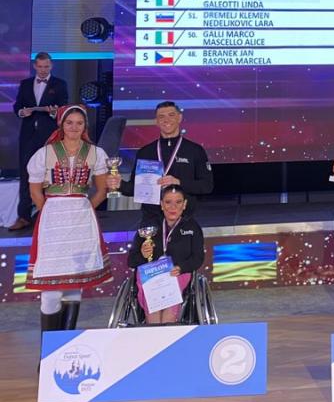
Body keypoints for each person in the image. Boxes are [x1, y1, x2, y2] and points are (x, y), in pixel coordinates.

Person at [25, 105, 111, 335]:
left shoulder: (95, 153)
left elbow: (102, 190)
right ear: (61, 124)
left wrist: (84, 209)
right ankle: (49, 349)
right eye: (69, 122)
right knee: (51, 290)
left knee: (75, 284)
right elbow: (35, 191)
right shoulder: (44, 153)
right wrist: (50, 212)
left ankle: (65, 344)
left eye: (79, 123)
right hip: (53, 219)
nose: (74, 127)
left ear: (85, 126)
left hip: (82, 220)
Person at [106, 101, 214, 226]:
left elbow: (207, 186)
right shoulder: (145, 152)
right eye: (161, 117)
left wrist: (179, 182)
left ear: (179, 118)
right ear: (156, 121)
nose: (166, 120)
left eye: (171, 115)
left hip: (184, 220)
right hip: (151, 219)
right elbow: (134, 189)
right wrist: (120, 184)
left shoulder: (195, 150)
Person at [128, 185, 205, 324]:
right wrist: (143, 254)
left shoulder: (192, 227)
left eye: (178, 202)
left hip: (177, 273)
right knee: (154, 302)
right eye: (168, 202)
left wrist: (181, 267)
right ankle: (155, 334)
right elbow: (132, 261)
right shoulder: (148, 227)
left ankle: (166, 332)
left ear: (185, 204)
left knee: (170, 291)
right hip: (151, 275)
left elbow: (198, 258)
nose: (173, 207)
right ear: (162, 205)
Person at [10, 52, 69, 231]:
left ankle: (46, 215)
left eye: (47, 67)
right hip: (28, 135)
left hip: (49, 135)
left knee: (50, 175)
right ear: (35, 66)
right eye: (40, 67)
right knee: (26, 174)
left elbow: (64, 108)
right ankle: (24, 216)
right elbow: (17, 106)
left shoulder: (60, 84)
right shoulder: (25, 84)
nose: (43, 70)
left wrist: (53, 112)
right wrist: (22, 112)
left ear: (51, 67)